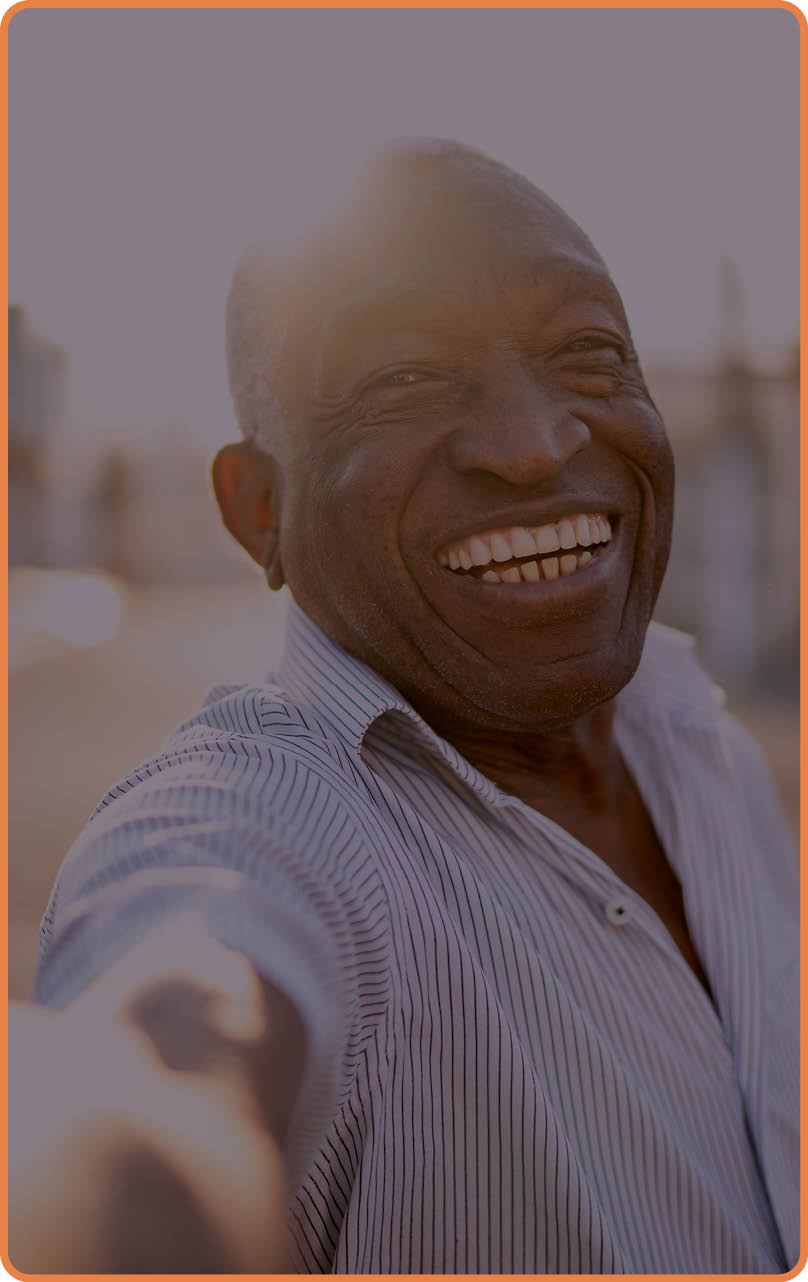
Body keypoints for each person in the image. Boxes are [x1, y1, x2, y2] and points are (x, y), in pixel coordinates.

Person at [10, 140, 797, 1274]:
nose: (535, 445)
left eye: (586, 351)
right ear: (258, 511)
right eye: (403, 379)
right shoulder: (262, 822)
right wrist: (134, 1146)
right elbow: (181, 1010)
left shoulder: (704, 748)